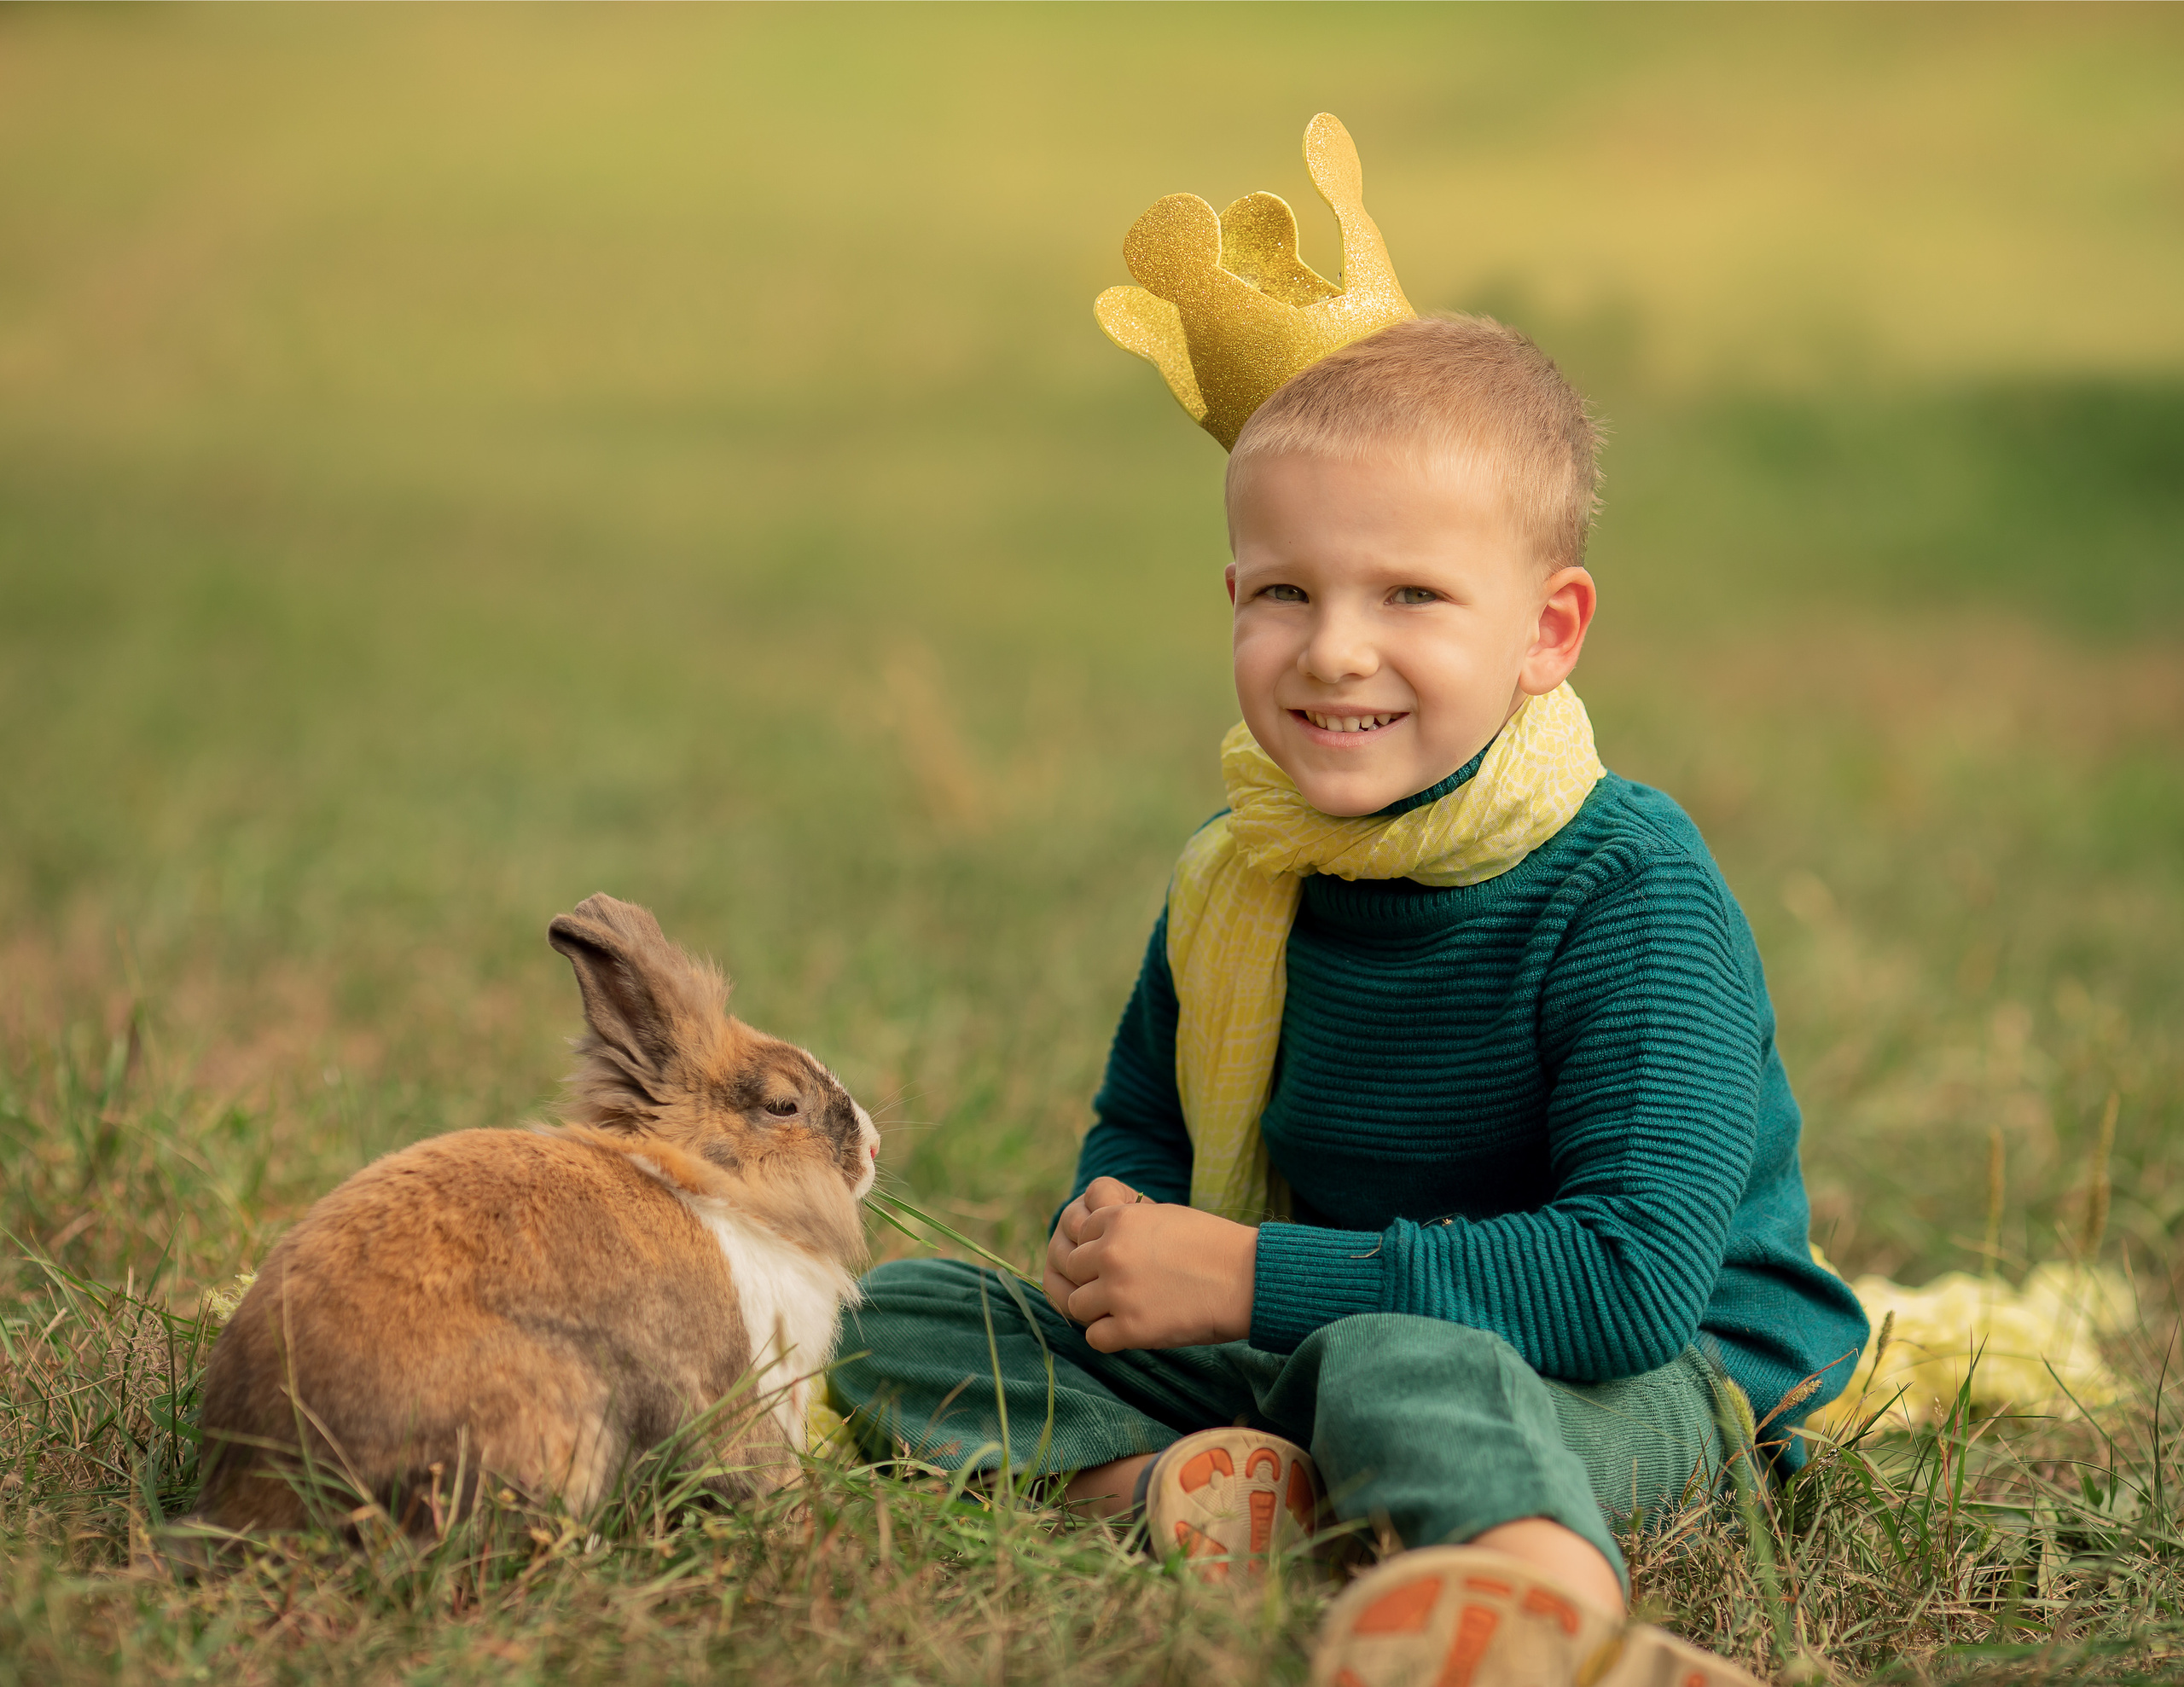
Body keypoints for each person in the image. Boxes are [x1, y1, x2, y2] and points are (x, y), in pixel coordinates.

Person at [831, 116, 1867, 1687]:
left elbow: (1626, 1279)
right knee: (901, 1311)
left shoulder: (1631, 889)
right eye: (1285, 592)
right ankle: (1182, 1493)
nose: (1333, 650)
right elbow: (1148, 1127)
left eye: (1412, 596)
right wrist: (1116, 1230)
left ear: (1549, 629)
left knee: (1405, 1366)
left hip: (1648, 1369)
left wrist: (1246, 1275)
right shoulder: (1242, 873)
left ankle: (1543, 1609)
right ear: (1232, 599)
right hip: (1319, 1314)